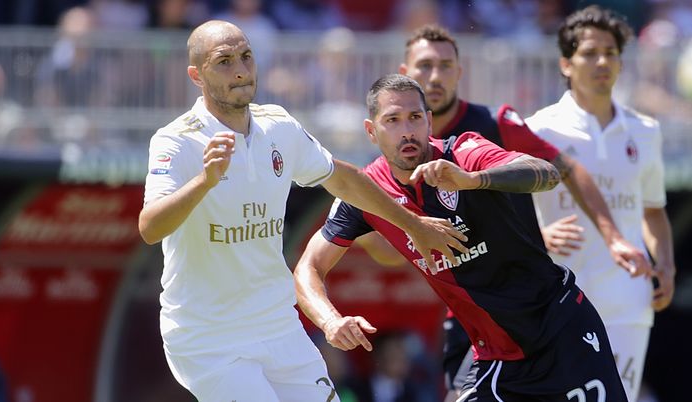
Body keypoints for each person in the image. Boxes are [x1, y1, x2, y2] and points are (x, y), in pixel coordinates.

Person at [138, 21, 468, 402]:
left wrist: (414, 225)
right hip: (209, 338)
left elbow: (341, 178)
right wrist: (204, 182)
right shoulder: (177, 140)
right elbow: (150, 227)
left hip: (278, 325)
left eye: (245, 57)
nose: (241, 70)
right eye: (224, 61)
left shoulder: (278, 125)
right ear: (197, 75)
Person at [355, 23, 651, 400]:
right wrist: (412, 231)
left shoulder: (491, 125)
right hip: (468, 316)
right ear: (405, 72)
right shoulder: (383, 167)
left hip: (531, 302)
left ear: (460, 74)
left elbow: (562, 170)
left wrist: (614, 238)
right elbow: (388, 252)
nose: (435, 76)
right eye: (424, 66)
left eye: (446, 66)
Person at [295, 73, 629, 401]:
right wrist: (329, 322)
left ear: (429, 121)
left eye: (414, 118)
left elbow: (547, 173)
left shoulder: (465, 153)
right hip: (497, 359)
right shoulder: (366, 194)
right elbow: (308, 267)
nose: (407, 131)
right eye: (392, 120)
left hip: (561, 329)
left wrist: (473, 180)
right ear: (371, 131)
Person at [525, 6, 676, 401]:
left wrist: (667, 264)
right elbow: (506, 206)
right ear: (566, 63)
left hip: (627, 294)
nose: (602, 62)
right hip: (558, 292)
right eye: (590, 53)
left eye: (610, 52)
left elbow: (653, 210)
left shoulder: (645, 131)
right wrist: (539, 234)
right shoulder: (538, 128)